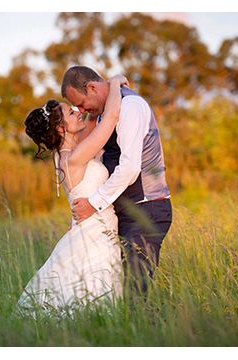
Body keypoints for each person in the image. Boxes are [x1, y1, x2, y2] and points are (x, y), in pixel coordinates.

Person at [16, 75, 129, 316]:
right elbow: (109, 118)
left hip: (93, 232)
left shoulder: (68, 153)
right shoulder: (74, 158)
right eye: (71, 113)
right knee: (96, 299)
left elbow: (91, 122)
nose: (78, 112)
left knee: (92, 299)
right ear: (60, 128)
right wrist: (115, 84)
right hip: (95, 239)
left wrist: (90, 104)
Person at [62, 66, 172, 297]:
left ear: (92, 87)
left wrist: (94, 203)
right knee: (118, 290)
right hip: (125, 212)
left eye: (81, 104)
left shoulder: (130, 106)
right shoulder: (105, 112)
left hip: (146, 209)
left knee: (135, 291)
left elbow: (130, 168)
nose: (81, 111)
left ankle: (146, 331)